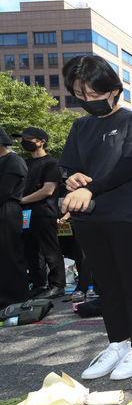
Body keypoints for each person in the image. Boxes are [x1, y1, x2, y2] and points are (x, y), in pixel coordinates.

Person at [59, 54, 132, 380]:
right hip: (89, 218)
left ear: (113, 90)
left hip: (127, 215)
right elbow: (69, 165)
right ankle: (118, 342)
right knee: (107, 285)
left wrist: (92, 189)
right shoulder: (80, 126)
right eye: (81, 96)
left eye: (93, 94)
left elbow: (130, 166)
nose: (88, 102)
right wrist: (72, 179)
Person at [16, 127, 65, 299]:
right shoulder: (24, 163)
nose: (24, 141)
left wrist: (21, 200)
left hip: (45, 212)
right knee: (31, 250)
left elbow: (48, 190)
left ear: (41, 141)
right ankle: (38, 284)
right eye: (23, 138)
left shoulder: (52, 163)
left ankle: (57, 285)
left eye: (28, 138)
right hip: (26, 214)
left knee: (50, 250)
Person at [0, 126, 29, 306]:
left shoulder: (13, 160)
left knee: (9, 253)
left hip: (7, 209)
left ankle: (15, 296)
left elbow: (4, 191)